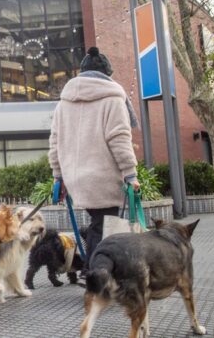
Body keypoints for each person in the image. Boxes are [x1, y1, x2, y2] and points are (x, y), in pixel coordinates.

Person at [48, 46, 140, 276]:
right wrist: (131, 174)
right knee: (103, 227)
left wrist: (58, 176)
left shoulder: (64, 103)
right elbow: (119, 139)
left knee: (98, 224)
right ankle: (93, 274)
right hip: (102, 176)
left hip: (75, 177)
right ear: (108, 74)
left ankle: (91, 268)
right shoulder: (112, 99)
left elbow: (54, 143)